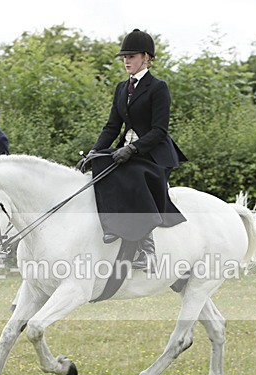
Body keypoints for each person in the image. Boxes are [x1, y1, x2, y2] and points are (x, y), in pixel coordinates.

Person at [84, 29, 187, 272]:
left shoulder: (158, 87)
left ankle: (148, 251)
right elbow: (112, 127)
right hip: (127, 149)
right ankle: (112, 227)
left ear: (146, 57)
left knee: (134, 176)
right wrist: (94, 151)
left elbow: (159, 130)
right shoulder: (121, 88)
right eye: (124, 57)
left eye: (131, 56)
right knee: (100, 165)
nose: (126, 61)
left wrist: (132, 149)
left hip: (153, 153)